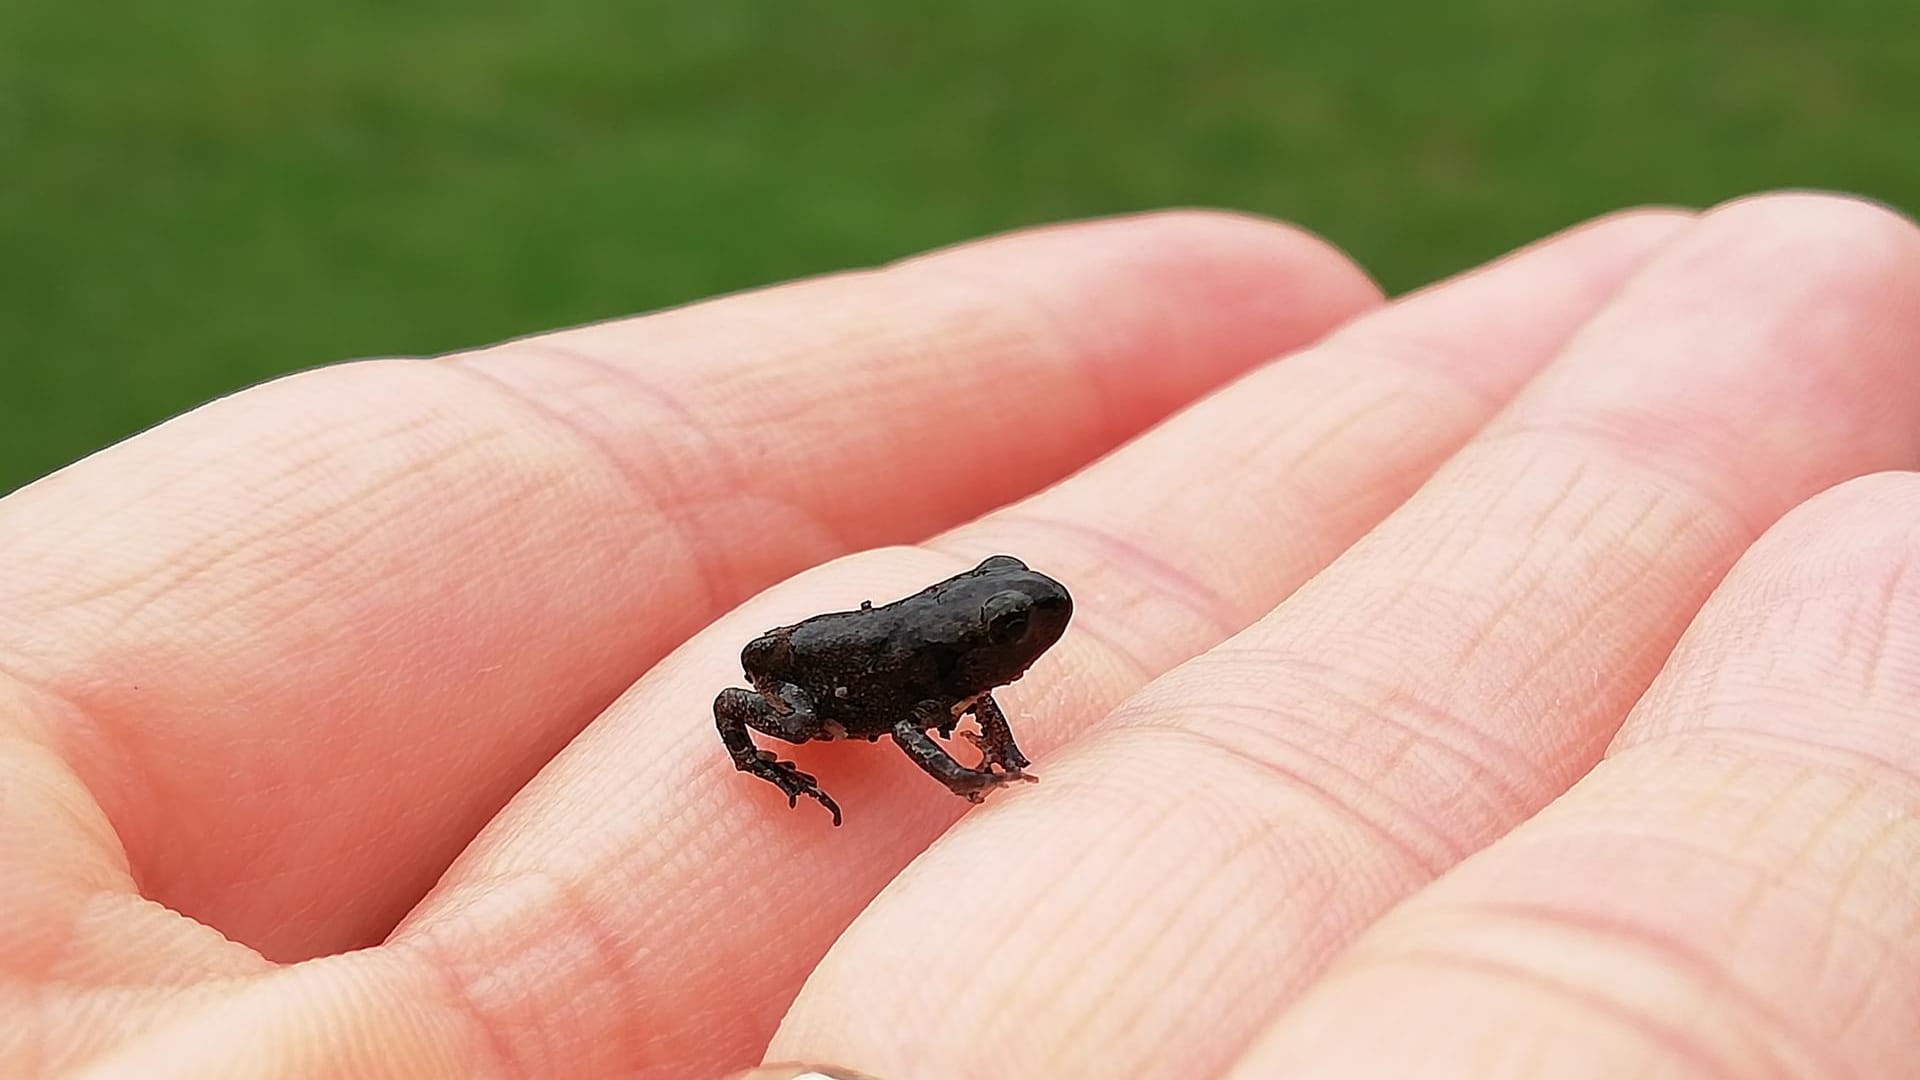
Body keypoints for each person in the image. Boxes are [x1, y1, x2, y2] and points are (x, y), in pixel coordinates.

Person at [7, 192, 1918, 1080]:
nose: (1013, 661)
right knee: (778, 690)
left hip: (882, 643)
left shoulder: (982, 647)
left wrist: (992, 740)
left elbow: (987, 662)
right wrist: (926, 759)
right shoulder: (913, 695)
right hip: (831, 672)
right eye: (1003, 655)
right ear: (964, 664)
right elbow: (877, 710)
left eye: (1009, 651)